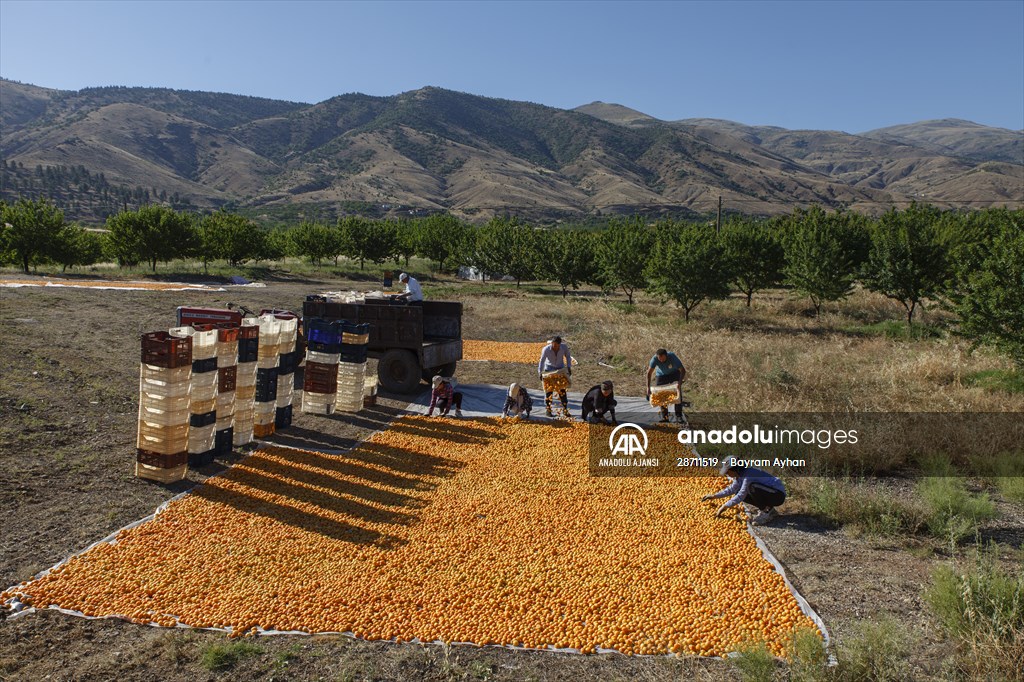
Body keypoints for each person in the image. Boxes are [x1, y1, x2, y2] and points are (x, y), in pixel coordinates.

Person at [701, 457, 786, 525]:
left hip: (777, 495)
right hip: (769, 493)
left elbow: (742, 494)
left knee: (752, 487)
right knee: (737, 491)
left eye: (728, 472)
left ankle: (766, 512)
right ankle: (769, 509)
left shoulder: (748, 475)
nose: (727, 474)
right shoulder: (739, 476)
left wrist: (724, 506)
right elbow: (731, 489)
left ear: (734, 469)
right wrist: (714, 496)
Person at [646, 348, 685, 423]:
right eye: (659, 359)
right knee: (660, 394)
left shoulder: (672, 356)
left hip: (674, 373)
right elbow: (649, 373)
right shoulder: (654, 359)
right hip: (661, 375)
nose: (661, 360)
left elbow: (683, 370)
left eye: (663, 359)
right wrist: (648, 387)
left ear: (666, 355)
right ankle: (665, 417)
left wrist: (679, 382)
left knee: (677, 393)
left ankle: (679, 416)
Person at [537, 336, 571, 417]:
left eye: (557, 345)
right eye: (554, 345)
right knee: (549, 390)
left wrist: (569, 367)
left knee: (562, 390)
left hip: (560, 370)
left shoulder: (564, 347)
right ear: (552, 343)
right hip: (549, 370)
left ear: (560, 344)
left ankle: (565, 409)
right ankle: (548, 410)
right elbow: (542, 361)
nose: (555, 347)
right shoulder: (546, 349)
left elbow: (568, 356)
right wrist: (540, 372)